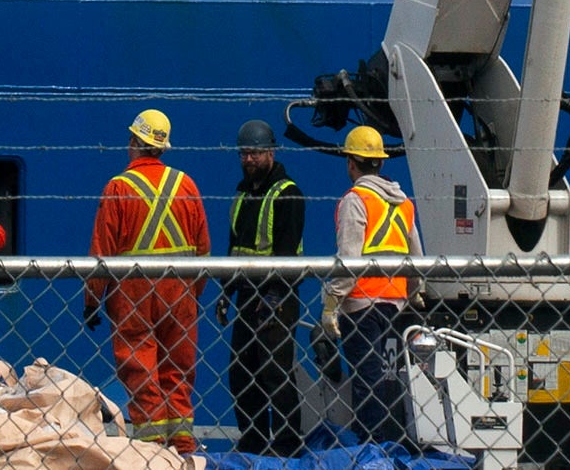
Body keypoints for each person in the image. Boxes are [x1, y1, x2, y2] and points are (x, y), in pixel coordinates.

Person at [82, 108, 208, 447]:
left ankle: (152, 453)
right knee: (178, 373)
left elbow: (102, 253)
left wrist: (93, 300)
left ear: (135, 142)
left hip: (133, 294)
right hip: (181, 290)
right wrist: (192, 295)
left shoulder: (118, 188)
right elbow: (203, 250)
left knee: (141, 373)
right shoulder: (186, 184)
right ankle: (183, 453)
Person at [329, 125, 419, 446]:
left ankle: (371, 446)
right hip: (394, 304)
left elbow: (349, 259)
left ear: (352, 163)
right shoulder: (403, 202)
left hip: (361, 302)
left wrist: (331, 301)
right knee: (385, 378)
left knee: (366, 379)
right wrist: (415, 292)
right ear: (379, 163)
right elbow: (416, 257)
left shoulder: (356, 200)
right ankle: (383, 444)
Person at [225, 119, 309, 458]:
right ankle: (255, 438)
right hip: (247, 294)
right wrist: (226, 293)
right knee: (241, 371)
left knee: (275, 371)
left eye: (256, 153)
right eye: (245, 153)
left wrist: (275, 294)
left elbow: (288, 250)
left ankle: (288, 443)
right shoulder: (243, 193)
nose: (249, 160)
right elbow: (234, 248)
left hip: (278, 296)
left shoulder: (287, 193)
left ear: (271, 152)